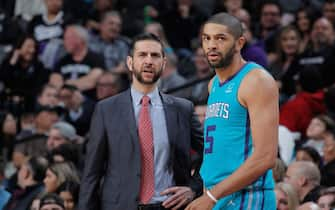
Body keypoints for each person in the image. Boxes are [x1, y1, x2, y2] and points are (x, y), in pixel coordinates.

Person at [78, 33, 203, 210]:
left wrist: (194, 188)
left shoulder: (183, 109)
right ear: (130, 63)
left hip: (169, 206)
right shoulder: (106, 109)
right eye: (142, 55)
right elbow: (91, 172)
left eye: (155, 56)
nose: (149, 61)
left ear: (164, 63)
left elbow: (211, 153)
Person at [186, 12, 279, 210]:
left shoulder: (256, 80)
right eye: (206, 38)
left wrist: (211, 196)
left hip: (247, 197)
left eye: (220, 38)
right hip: (217, 195)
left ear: (239, 43)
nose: (211, 45)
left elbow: (266, 157)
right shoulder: (213, 85)